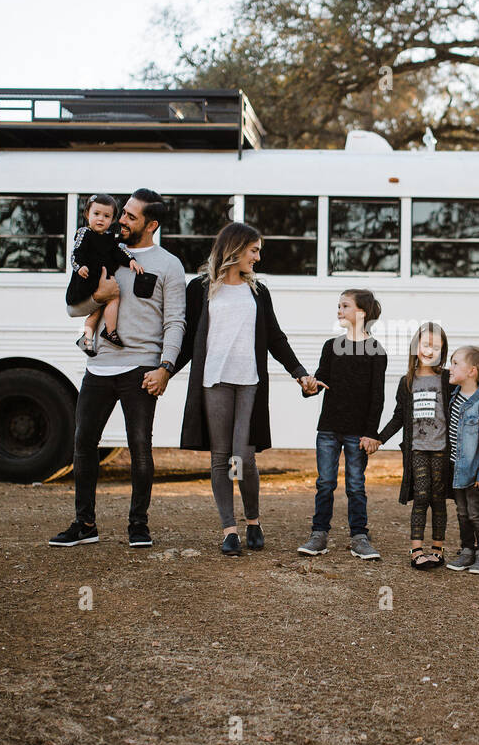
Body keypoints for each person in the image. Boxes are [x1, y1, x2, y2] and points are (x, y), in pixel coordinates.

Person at [48, 189, 186, 549]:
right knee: (83, 442)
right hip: (99, 367)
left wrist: (166, 368)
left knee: (140, 446)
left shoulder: (169, 265)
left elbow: (175, 322)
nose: (120, 220)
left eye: (130, 216)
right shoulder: (98, 250)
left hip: (140, 368)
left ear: (151, 225)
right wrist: (100, 296)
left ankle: (138, 525)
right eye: (121, 213)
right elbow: (73, 309)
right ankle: (85, 524)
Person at [172, 221, 319, 556]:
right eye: (254, 250)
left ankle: (253, 518)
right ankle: (230, 530)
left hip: (249, 382)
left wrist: (299, 372)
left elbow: (275, 338)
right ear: (235, 249)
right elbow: (187, 339)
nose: (257, 257)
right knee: (221, 457)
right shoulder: (201, 288)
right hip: (214, 381)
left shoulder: (258, 292)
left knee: (243, 456)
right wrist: (165, 370)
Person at [297, 289, 389, 560]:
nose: (339, 310)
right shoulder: (330, 346)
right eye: (338, 305)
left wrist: (371, 433)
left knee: (355, 485)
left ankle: (359, 536)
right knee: (325, 482)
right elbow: (319, 383)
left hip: (357, 433)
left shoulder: (377, 352)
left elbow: (377, 397)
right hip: (328, 429)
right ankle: (319, 535)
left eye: (344, 306)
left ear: (361, 313)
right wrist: (309, 386)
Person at [374, 322, 454, 569]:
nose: (430, 350)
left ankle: (438, 549)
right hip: (417, 449)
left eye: (437, 347)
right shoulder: (406, 381)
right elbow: (399, 416)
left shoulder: (448, 379)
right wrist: (379, 438)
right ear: (415, 346)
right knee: (421, 496)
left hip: (442, 449)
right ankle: (417, 549)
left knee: (438, 498)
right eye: (426, 344)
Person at [67, 193, 144, 355]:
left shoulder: (110, 238)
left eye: (106, 216)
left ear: (112, 219)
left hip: (99, 283)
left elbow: (118, 252)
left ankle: (86, 339)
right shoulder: (84, 233)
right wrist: (79, 267)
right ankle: (109, 331)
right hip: (85, 282)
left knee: (98, 310)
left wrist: (131, 260)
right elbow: (75, 254)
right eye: (96, 214)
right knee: (110, 299)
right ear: (87, 214)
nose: (101, 219)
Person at [444, 346, 479, 574]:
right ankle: (467, 550)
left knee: (475, 512)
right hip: (457, 468)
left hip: (474, 472)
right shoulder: (454, 396)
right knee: (462, 511)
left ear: (471, 372)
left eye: (455, 363)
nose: (450, 367)